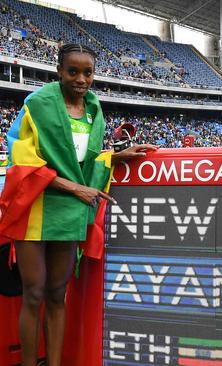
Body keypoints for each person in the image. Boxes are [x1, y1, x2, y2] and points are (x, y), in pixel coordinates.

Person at [0, 44, 157, 366]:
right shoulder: (38, 104)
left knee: (57, 295)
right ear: (59, 71)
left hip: (70, 210)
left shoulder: (93, 109)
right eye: (73, 71)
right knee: (33, 294)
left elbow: (84, 159)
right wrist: (75, 188)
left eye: (88, 72)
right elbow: (22, 161)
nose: (81, 79)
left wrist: (116, 156)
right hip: (36, 207)